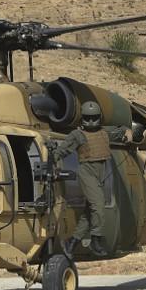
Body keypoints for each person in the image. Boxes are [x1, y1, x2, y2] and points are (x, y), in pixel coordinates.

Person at [49, 101, 128, 258]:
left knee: (89, 212)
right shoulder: (77, 135)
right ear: (82, 119)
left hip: (102, 174)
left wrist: (127, 132)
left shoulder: (104, 132)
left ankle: (72, 242)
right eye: (87, 118)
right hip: (87, 172)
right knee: (98, 206)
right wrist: (52, 163)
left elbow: (121, 130)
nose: (91, 122)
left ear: (99, 118)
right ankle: (95, 240)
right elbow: (61, 151)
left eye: (94, 118)